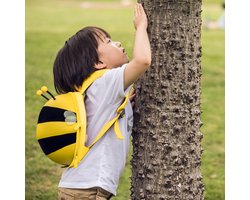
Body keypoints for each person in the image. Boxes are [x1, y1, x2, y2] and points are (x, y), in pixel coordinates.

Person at [54, 3, 151, 200]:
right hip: (87, 190)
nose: (116, 42)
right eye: (108, 41)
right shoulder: (105, 81)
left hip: (81, 186)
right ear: (98, 64)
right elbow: (142, 61)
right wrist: (141, 27)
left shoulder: (96, 88)